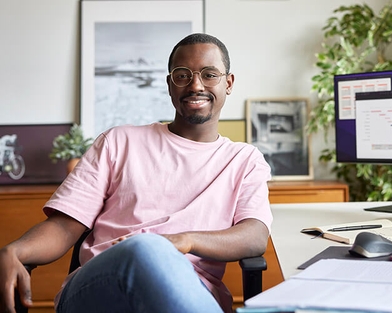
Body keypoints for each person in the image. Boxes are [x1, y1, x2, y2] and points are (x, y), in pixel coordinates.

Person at [0, 33, 273, 313]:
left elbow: (254, 235)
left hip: (193, 291)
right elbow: (64, 226)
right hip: (98, 289)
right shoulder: (118, 142)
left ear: (228, 83)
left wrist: (184, 240)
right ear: (170, 85)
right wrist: (15, 250)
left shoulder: (244, 160)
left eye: (209, 74)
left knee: (150, 249)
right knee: (144, 249)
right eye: (182, 75)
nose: (195, 85)